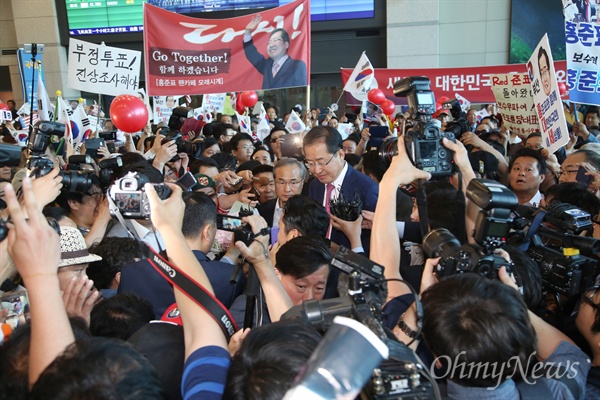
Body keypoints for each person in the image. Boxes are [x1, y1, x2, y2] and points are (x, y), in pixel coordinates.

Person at [243, 15, 307, 89]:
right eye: (269, 42)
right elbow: (251, 53)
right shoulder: (266, 65)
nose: (271, 44)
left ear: (286, 44)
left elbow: (301, 91)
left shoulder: (297, 65)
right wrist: (247, 32)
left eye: (276, 40)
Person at [257, 157, 306, 227]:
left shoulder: (313, 213)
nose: (287, 189)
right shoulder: (261, 211)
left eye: (293, 183)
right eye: (281, 183)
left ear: (302, 182)